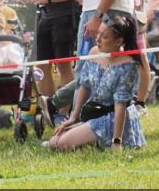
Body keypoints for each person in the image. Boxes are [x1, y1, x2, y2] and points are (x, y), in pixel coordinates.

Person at [48, 16, 146, 151]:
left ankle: (101, 142)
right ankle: (90, 142)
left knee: (60, 144)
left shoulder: (128, 65)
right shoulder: (94, 52)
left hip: (115, 119)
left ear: (119, 41)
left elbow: (120, 105)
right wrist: (73, 117)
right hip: (96, 113)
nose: (98, 39)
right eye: (98, 33)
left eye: (104, 37)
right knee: (54, 141)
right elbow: (85, 85)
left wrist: (117, 141)